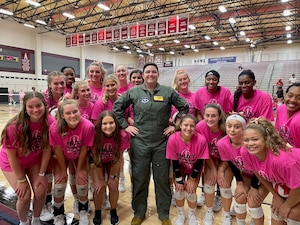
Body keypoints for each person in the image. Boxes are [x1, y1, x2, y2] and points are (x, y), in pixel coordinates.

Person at [113, 62, 189, 225]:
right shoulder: (134, 92)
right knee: (140, 178)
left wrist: (175, 127)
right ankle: (139, 212)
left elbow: (184, 107)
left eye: (154, 72)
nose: (150, 74)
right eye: (147, 72)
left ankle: (163, 214)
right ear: (143, 75)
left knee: (162, 180)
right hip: (140, 143)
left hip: (162, 143)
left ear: (158, 74)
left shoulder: (168, 92)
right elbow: (117, 108)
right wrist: (126, 126)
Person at [0, 91, 54, 225]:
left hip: (32, 161)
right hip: (12, 163)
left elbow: (47, 148)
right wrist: (21, 179)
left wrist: (42, 173)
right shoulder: (14, 127)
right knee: (24, 196)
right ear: (25, 108)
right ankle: (23, 222)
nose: (35, 110)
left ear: (44, 105)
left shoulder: (50, 121)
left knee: (41, 190)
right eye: (31, 107)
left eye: (38, 106)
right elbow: (11, 156)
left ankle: (36, 220)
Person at [241, 117, 300, 225]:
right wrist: (276, 197)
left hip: (297, 184)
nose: (250, 143)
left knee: (292, 215)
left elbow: (298, 188)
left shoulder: (281, 161)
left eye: (255, 139)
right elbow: (259, 174)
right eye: (246, 140)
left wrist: (287, 205)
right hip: (286, 184)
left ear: (266, 139)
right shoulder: (246, 152)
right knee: (277, 214)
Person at [49, 99, 95, 225]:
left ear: (79, 111)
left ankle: (83, 209)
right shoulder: (55, 128)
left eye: (75, 112)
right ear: (62, 115)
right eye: (68, 113)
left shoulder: (88, 126)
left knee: (81, 179)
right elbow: (57, 150)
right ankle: (58, 212)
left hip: (80, 154)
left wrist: (80, 169)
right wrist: (63, 171)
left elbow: (85, 149)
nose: (72, 115)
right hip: (62, 155)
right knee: (59, 182)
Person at [218, 114, 268, 225]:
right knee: (240, 197)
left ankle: (256, 220)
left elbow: (259, 167)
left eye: (237, 127)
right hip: (247, 174)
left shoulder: (249, 145)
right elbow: (232, 163)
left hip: (262, 175)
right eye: (229, 126)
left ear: (244, 128)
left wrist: (254, 187)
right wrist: (240, 183)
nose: (232, 130)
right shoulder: (222, 143)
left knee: (253, 202)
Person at [166, 115, 209, 225]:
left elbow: (199, 163)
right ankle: (181, 214)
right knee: (179, 190)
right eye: (185, 125)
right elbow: (174, 161)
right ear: (180, 125)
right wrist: (179, 179)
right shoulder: (173, 138)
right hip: (179, 167)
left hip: (194, 168)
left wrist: (192, 179)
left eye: (192, 126)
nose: (188, 128)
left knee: (191, 191)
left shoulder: (201, 140)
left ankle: (191, 214)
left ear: (195, 127)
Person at [91, 110, 130, 225]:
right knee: (99, 187)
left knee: (114, 186)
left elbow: (119, 158)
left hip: (113, 161)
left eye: (111, 123)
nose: (108, 126)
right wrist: (100, 179)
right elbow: (95, 158)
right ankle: (97, 211)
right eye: (104, 124)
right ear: (100, 124)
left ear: (116, 123)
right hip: (97, 162)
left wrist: (113, 176)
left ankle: (113, 210)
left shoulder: (122, 135)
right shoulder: (95, 135)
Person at [195, 104, 226, 224]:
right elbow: (203, 151)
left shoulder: (225, 128)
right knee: (209, 182)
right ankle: (209, 212)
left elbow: (229, 153)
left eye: (213, 116)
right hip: (209, 158)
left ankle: (219, 197)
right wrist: (213, 169)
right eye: (207, 115)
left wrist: (220, 170)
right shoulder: (200, 127)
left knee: (224, 181)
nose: (209, 118)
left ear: (219, 117)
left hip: (225, 160)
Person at [275, 83, 300, 147]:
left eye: (299, 98)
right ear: (285, 95)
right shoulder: (281, 108)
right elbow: (278, 132)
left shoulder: (297, 121)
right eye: (290, 95)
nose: (293, 100)